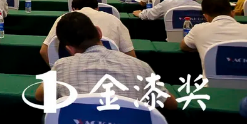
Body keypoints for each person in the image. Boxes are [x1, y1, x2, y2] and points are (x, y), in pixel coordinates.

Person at [35, 12, 177, 109]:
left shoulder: (61, 66)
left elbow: (40, 96)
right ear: (99, 32)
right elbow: (171, 104)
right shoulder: (140, 66)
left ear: (69, 49)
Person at [41, 0, 135, 61]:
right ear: (97, 8)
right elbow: (130, 56)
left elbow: (44, 51)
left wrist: (57, 70)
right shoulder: (114, 20)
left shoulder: (64, 19)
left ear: (73, 9)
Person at [180, 0, 247, 77]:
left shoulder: (199, 29)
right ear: (233, 14)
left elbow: (184, 46)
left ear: (206, 17)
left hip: (211, 85)